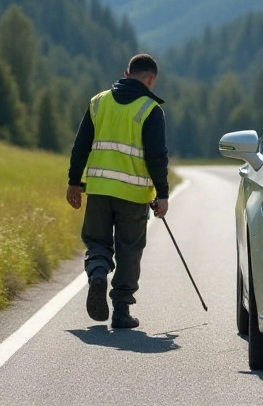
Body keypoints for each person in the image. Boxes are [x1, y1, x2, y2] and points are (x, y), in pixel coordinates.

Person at [67, 54, 169, 329]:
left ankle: (98, 273)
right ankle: (121, 312)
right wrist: (162, 194)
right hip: (134, 196)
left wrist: (73, 182)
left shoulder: (98, 102)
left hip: (99, 190)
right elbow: (157, 157)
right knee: (129, 250)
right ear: (151, 80)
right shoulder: (150, 110)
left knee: (98, 243)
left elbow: (80, 146)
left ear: (126, 73)